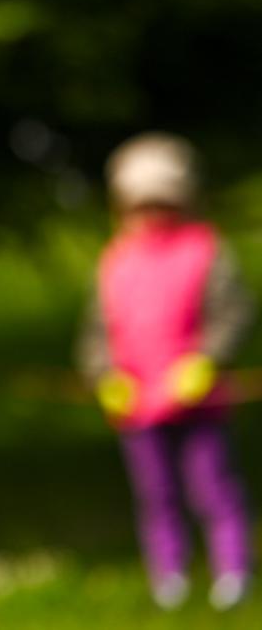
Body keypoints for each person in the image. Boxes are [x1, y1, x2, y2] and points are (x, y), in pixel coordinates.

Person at [78, 132, 253, 612]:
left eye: (162, 203)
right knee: (156, 494)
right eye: (141, 205)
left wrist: (206, 360)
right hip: (138, 405)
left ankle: (233, 571)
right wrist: (104, 374)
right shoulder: (116, 260)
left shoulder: (204, 251)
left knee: (214, 485)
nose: (151, 215)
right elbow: (97, 330)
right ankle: (168, 574)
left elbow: (232, 312)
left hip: (198, 400)